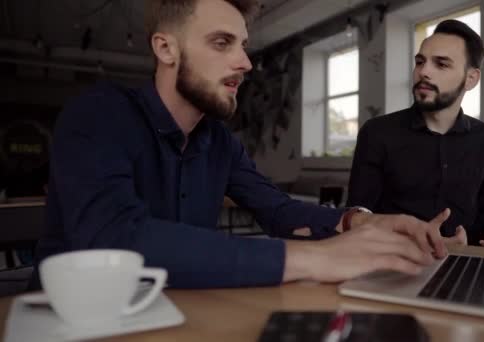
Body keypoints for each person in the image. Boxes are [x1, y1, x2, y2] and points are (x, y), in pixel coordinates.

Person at [31, 0, 452, 289]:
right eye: (221, 43)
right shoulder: (98, 115)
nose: (245, 62)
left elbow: (278, 210)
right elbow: (115, 239)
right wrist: (316, 259)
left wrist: (361, 223)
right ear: (165, 47)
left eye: (244, 46)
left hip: (178, 313)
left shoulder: (218, 142)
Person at [347, 19, 484, 249]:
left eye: (441, 64)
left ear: (471, 79)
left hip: (464, 265)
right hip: (390, 264)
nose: (424, 72)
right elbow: (355, 218)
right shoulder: (377, 133)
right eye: (420, 62)